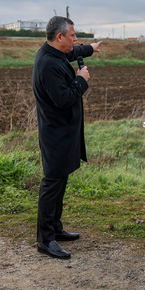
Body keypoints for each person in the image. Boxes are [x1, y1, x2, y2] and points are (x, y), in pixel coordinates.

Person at [33, 16, 101, 259]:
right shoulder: (48, 64)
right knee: (52, 184)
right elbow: (64, 99)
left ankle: (55, 228)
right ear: (59, 37)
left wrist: (90, 49)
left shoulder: (55, 53)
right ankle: (45, 239)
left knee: (60, 181)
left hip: (63, 133)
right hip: (55, 134)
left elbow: (72, 53)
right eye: (72, 35)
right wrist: (81, 80)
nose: (76, 39)